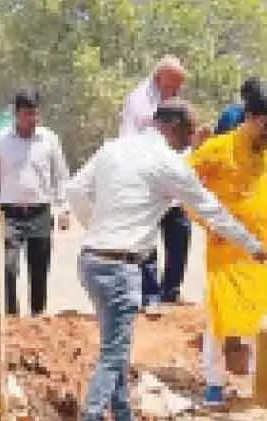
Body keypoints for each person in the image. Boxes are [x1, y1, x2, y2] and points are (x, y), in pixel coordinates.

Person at [67, 98, 267, 421]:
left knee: (116, 347)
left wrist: (98, 230)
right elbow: (212, 210)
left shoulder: (114, 148)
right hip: (120, 266)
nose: (193, 137)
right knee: (114, 351)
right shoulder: (168, 164)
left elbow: (74, 191)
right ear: (175, 126)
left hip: (92, 259)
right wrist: (254, 247)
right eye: (190, 129)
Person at [191, 83, 267, 404]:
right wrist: (207, 222)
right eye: (265, 125)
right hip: (227, 252)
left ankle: (258, 383)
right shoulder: (218, 148)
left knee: (261, 320)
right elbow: (183, 185)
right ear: (248, 117)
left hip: (263, 254)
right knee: (221, 318)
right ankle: (214, 382)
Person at [0, 89, 71, 317]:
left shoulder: (49, 139)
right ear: (16, 114)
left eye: (35, 114)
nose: (32, 120)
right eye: (27, 114)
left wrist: (64, 209)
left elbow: (61, 176)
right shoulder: (1, 141)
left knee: (39, 269)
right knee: (8, 268)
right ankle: (12, 318)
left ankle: (37, 316)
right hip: (9, 215)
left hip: (40, 212)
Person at [119, 56, 193, 311]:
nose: (177, 91)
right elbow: (128, 141)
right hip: (147, 184)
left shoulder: (177, 103)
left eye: (179, 86)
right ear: (160, 78)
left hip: (174, 183)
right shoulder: (138, 101)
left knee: (180, 236)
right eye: (174, 85)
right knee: (147, 241)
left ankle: (171, 292)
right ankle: (149, 296)